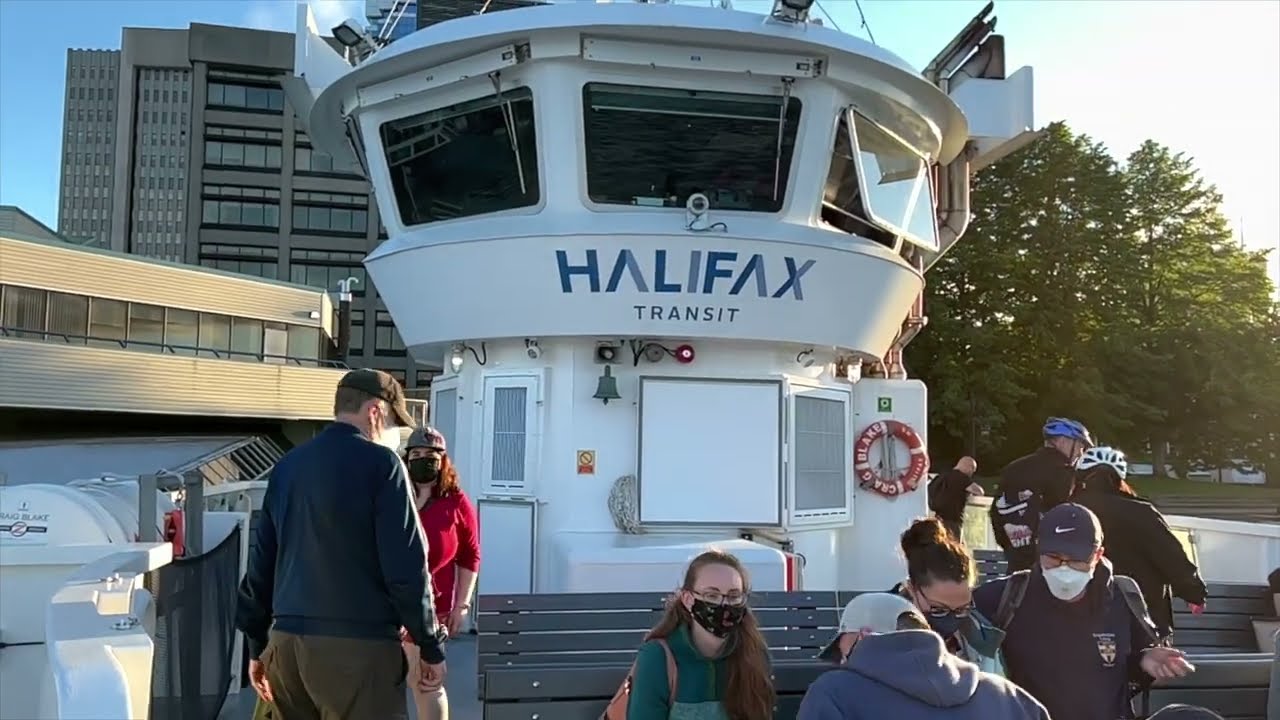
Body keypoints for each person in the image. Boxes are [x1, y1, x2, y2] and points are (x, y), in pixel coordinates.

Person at [236, 369, 448, 719]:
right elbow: (406, 567)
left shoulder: (287, 466)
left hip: (287, 647)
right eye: (393, 421)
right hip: (360, 649)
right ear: (375, 412)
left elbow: (262, 564)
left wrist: (257, 646)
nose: (393, 432)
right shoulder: (384, 465)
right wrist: (429, 645)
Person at [974, 503, 1194, 720]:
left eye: (1077, 560)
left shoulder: (1123, 597)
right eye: (1053, 557)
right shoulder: (1004, 596)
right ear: (1039, 548)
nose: (1064, 567)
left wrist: (1146, 661)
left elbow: (1131, 664)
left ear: (1098, 555)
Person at [800, 593, 1049, 719]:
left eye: (844, 654)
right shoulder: (1008, 698)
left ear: (864, 636)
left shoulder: (834, 693)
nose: (843, 664)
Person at [1072, 446, 1208, 639]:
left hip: (1079, 616)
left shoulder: (1067, 511)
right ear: (1120, 479)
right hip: (1141, 616)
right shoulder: (1142, 512)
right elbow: (1170, 556)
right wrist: (1193, 593)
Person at [626, 550, 775, 720]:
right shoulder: (657, 657)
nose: (724, 604)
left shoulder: (755, 654)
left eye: (734, 596)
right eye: (712, 595)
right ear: (688, 599)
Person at [401, 426, 480, 720]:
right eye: (416, 454)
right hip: (388, 606)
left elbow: (470, 555)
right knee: (380, 684)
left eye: (431, 456)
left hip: (432, 609)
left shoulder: (455, 502)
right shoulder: (395, 496)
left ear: (443, 460)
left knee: (426, 682)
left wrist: (462, 605)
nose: (423, 460)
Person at [887, 517, 1002, 666]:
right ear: (911, 588)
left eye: (962, 609)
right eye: (938, 610)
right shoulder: (880, 633)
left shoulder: (983, 640)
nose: (951, 620)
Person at [990, 416, 1094, 572]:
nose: (1081, 452)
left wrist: (1012, 547)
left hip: (1015, 559)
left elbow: (996, 512)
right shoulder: (1063, 472)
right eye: (1080, 445)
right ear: (1063, 441)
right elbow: (1066, 516)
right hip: (1050, 562)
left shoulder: (1014, 467)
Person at [928, 456, 983, 540]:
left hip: (938, 519)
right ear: (968, 466)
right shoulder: (961, 477)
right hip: (953, 521)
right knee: (955, 545)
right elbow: (979, 491)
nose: (972, 473)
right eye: (973, 469)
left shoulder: (942, 476)